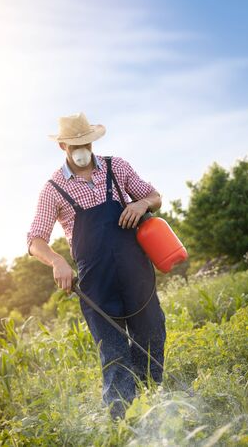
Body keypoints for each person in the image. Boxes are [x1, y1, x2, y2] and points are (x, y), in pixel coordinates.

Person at [27, 112, 166, 419]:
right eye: (75, 144)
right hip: (97, 286)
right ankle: (123, 427)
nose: (82, 149)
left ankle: (156, 411)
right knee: (115, 356)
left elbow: (155, 197)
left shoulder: (118, 168)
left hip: (136, 273)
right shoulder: (54, 188)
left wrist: (141, 203)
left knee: (152, 336)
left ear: (93, 141)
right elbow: (35, 240)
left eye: (86, 142)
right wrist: (57, 260)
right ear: (62, 146)